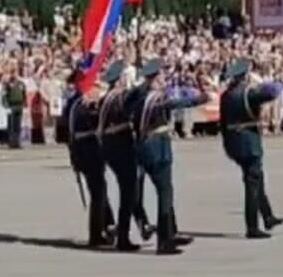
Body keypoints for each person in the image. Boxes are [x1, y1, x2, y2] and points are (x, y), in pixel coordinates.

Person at [127, 61, 207, 255]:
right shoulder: (154, 99)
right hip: (157, 148)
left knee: (166, 190)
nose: (164, 81)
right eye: (161, 77)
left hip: (145, 147)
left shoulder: (139, 98)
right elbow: (173, 104)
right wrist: (199, 100)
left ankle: (171, 231)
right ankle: (164, 240)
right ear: (154, 79)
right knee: (165, 192)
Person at [219, 59, 283, 240]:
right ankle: (252, 226)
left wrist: (227, 144)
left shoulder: (226, 95)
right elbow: (275, 91)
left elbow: (223, 123)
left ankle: (268, 216)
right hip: (249, 142)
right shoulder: (250, 93)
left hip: (234, 142)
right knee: (252, 183)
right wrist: (261, 81)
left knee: (256, 178)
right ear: (246, 75)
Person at [98, 61, 153, 251]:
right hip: (121, 148)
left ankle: (137, 226)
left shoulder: (106, 98)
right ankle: (123, 236)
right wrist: (145, 84)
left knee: (129, 192)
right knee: (128, 193)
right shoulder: (118, 98)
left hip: (110, 147)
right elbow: (131, 104)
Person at [62, 67, 114, 248]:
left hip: (84, 152)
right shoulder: (79, 104)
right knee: (98, 193)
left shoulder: (73, 103)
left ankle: (108, 225)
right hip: (87, 153)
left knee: (101, 191)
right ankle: (96, 234)